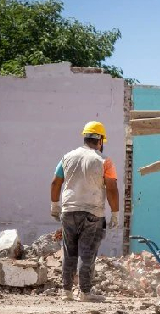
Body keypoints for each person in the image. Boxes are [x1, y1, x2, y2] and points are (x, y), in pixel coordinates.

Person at [50, 121, 120, 302]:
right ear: (101, 140)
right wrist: (115, 213)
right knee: (87, 253)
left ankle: (66, 292)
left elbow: (56, 182)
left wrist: (54, 205)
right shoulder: (105, 161)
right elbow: (112, 188)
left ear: (85, 137)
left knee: (69, 251)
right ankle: (85, 293)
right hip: (93, 213)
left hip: (69, 210)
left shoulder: (67, 157)